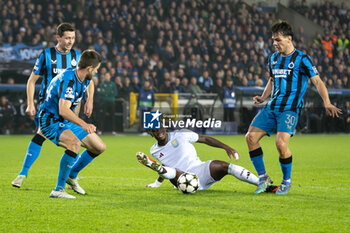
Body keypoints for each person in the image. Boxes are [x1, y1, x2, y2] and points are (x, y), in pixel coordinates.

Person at [245, 21, 342, 195]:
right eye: (273, 40)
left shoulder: (302, 59)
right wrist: (263, 96)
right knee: (250, 138)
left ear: (289, 39)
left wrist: (326, 102)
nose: (275, 43)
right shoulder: (273, 58)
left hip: (290, 109)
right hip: (272, 107)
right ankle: (263, 177)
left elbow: (317, 81)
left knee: (281, 144)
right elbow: (272, 79)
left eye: (278, 40)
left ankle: (286, 181)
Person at [12, 23, 94, 188]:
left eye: (73, 38)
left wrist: (90, 99)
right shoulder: (46, 55)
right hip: (49, 106)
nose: (70, 41)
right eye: (67, 38)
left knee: (77, 141)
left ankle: (70, 176)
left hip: (71, 107)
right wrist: (30, 103)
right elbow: (32, 80)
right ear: (58, 38)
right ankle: (23, 173)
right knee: (42, 134)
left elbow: (88, 79)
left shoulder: (78, 56)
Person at [38, 50, 105, 199]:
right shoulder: (69, 81)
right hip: (51, 121)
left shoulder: (84, 76)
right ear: (89, 68)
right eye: (95, 69)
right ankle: (58, 189)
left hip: (66, 121)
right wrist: (84, 124)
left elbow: (90, 83)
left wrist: (90, 99)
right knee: (74, 143)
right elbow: (63, 110)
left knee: (99, 147)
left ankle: (72, 175)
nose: (96, 72)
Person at [136, 126, 278, 193]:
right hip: (181, 180)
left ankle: (264, 185)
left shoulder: (181, 134)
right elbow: (165, 164)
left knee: (224, 166)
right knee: (172, 171)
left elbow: (205, 139)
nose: (158, 131)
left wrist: (226, 147)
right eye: (154, 130)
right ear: (150, 133)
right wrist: (157, 183)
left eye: (159, 127)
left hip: (199, 170)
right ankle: (154, 166)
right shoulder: (154, 150)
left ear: (165, 127)